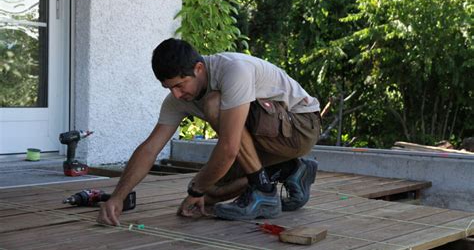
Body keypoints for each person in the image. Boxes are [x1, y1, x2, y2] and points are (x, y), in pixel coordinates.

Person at [97, 38, 320, 226]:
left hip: (301, 127)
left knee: (213, 104)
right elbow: (149, 149)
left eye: (180, 85)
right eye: (169, 88)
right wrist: (118, 197)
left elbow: (230, 148)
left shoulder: (234, 70)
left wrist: (194, 189)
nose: (176, 94)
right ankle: (288, 169)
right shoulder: (177, 99)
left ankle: (263, 189)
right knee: (212, 192)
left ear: (199, 69)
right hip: (268, 138)